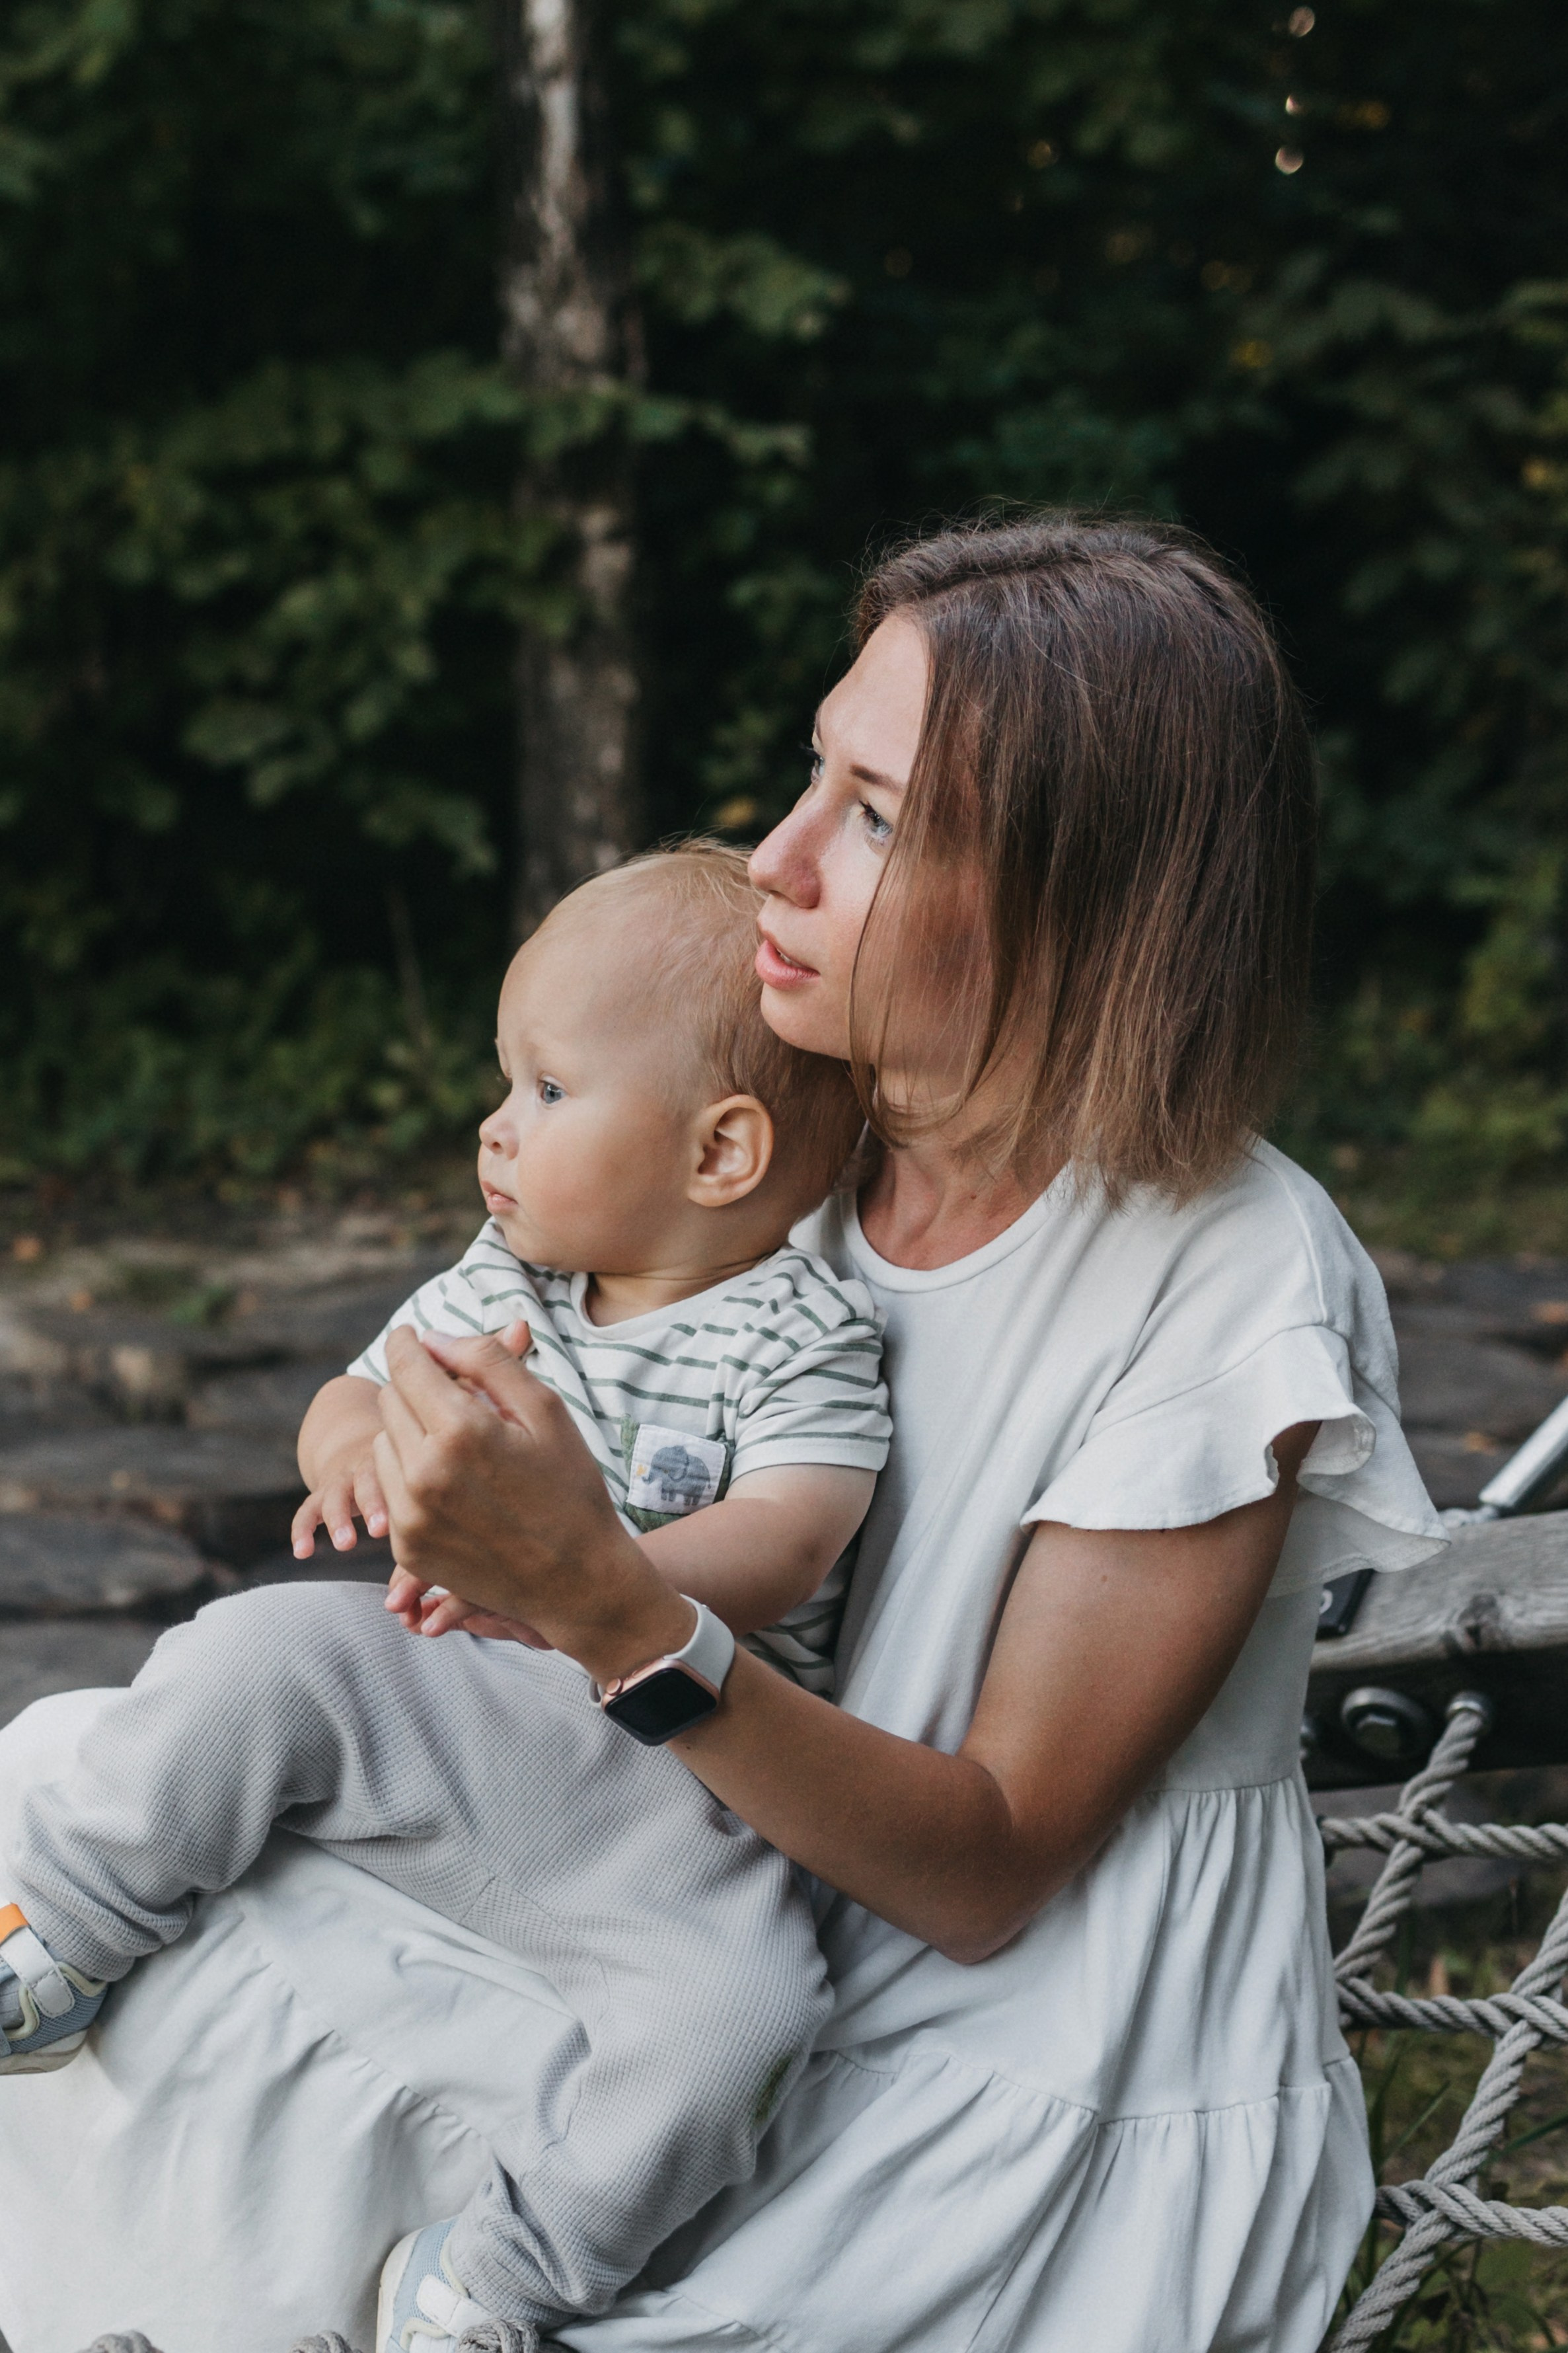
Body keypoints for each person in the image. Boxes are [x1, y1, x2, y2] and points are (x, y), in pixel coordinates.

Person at [0, 514, 1446, 2353]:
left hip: (1006, 2070)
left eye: (869, 815)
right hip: (673, 1883)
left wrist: (607, 1610)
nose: (771, 862)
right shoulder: (777, 1163)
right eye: (806, 777)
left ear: (1083, 896)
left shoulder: (1221, 1274)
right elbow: (480, 1368)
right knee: (67, 1784)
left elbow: (985, 1873)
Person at [0, 849, 890, 2346]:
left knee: (741, 2019)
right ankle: (67, 1938)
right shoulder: (510, 1279)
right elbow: (352, 1394)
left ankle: (495, 2278)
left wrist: (585, 1578)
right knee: (261, 1647)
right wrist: (355, 1454)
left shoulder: (800, 1332)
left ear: (719, 1152)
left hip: (680, 1784)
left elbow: (793, 1536)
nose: (493, 1127)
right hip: (450, 1693)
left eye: (545, 1090)